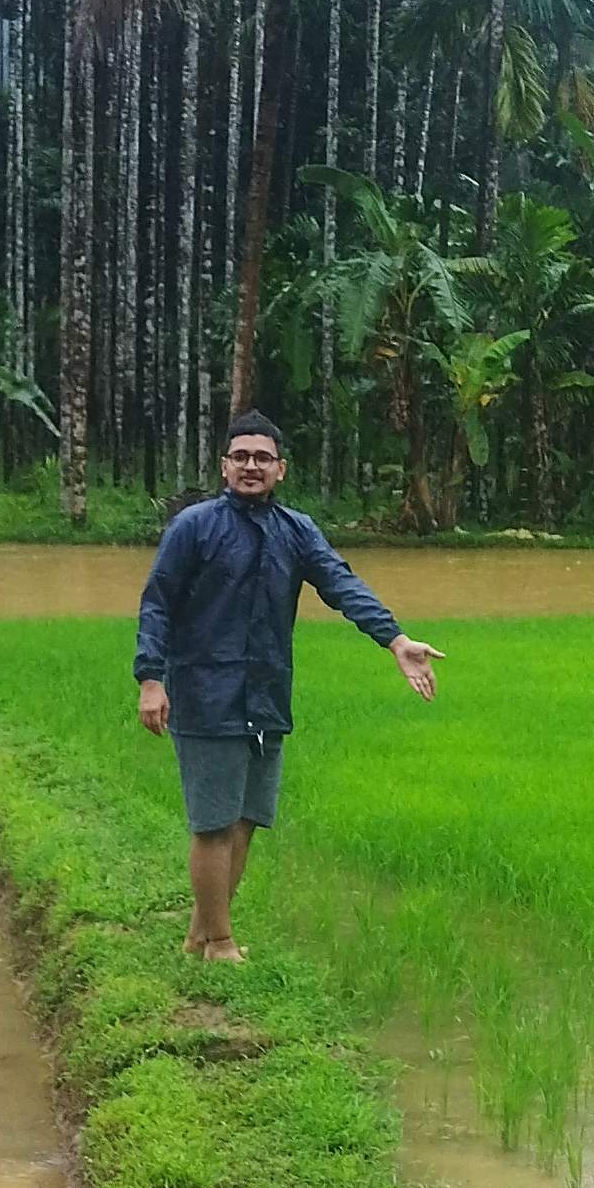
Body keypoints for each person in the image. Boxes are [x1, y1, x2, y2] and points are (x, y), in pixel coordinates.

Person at [133, 410, 442, 962]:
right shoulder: (195, 527)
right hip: (207, 694)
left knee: (247, 819)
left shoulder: (297, 531)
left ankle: (199, 938)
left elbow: (341, 584)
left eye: (263, 458)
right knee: (213, 824)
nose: (252, 466)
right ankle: (221, 943)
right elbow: (158, 602)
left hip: (266, 694)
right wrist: (150, 679)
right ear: (224, 466)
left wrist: (395, 640)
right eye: (242, 457)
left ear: (281, 469)